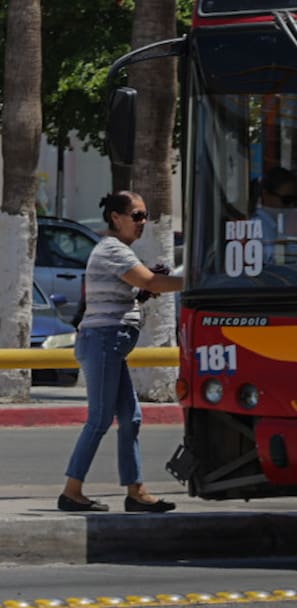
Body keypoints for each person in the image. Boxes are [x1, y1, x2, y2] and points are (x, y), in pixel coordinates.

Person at [58, 191, 183, 513]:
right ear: (117, 218)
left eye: (145, 216)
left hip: (109, 344)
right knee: (100, 419)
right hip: (103, 342)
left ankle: (136, 491)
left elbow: (135, 291)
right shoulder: (113, 250)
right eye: (137, 216)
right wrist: (195, 281)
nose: (143, 223)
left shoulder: (118, 251)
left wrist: (142, 294)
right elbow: (153, 283)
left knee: (131, 418)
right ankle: (71, 492)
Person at [252, 166, 297, 263]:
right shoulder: (259, 227)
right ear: (266, 195)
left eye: (294, 200)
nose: (291, 206)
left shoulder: (273, 224)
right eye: (286, 200)